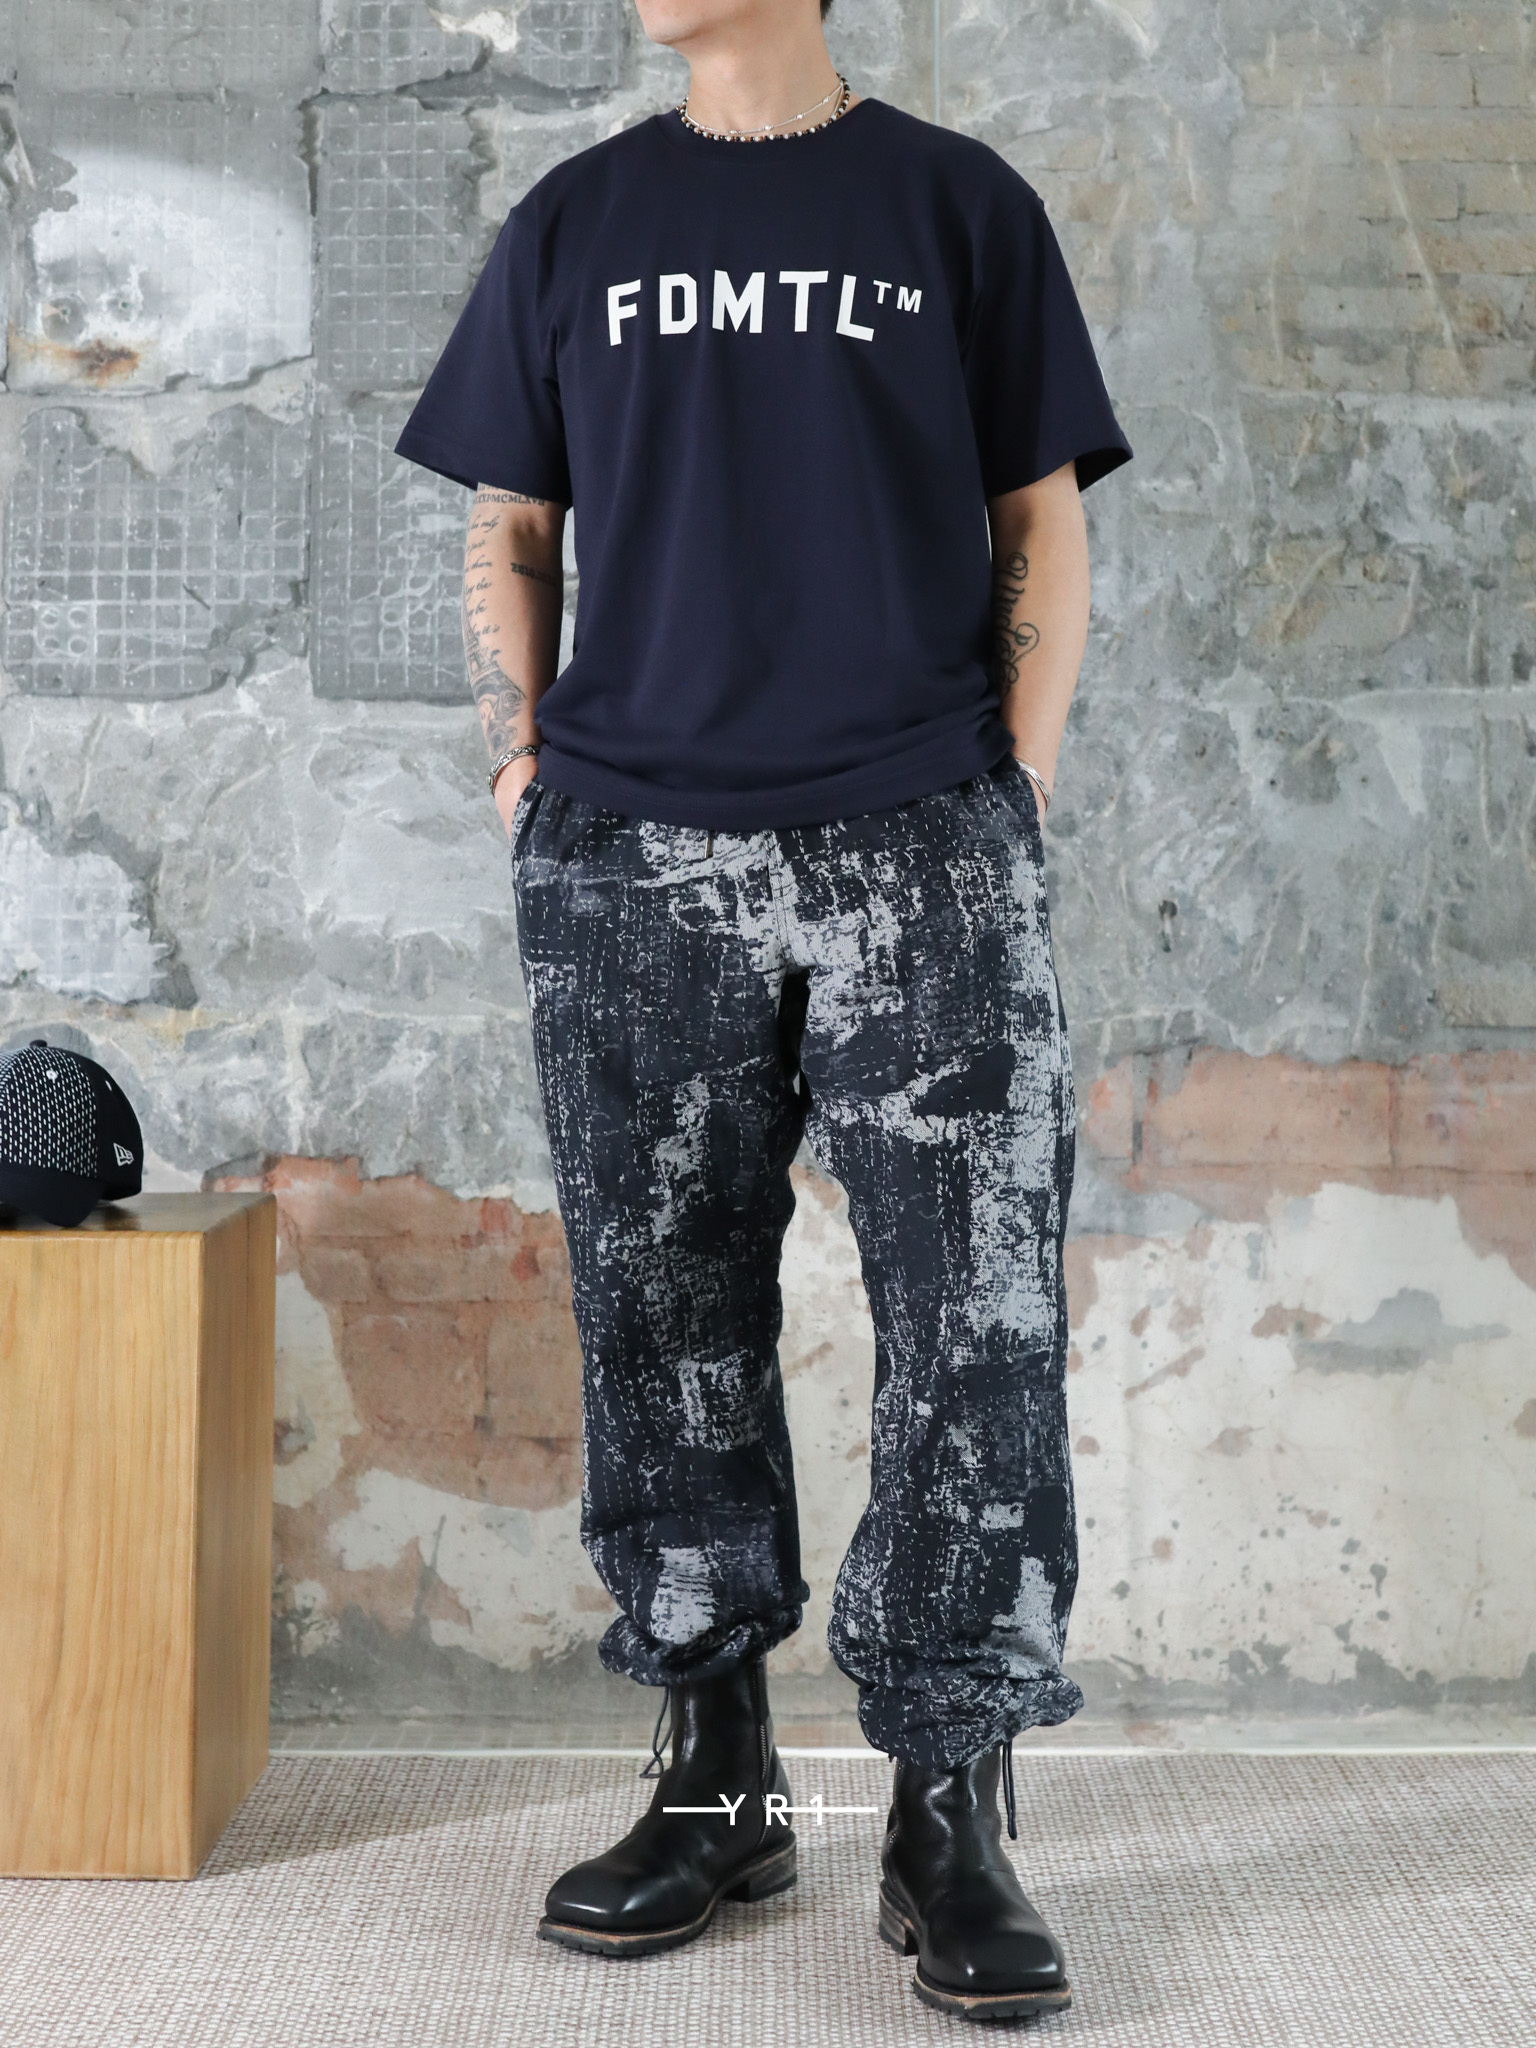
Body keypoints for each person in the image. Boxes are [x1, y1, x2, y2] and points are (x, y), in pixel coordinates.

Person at [397, 0, 1130, 2021]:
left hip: (926, 842)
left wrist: (1014, 792)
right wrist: (524, 764)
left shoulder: (957, 206)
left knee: (976, 1330)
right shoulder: (576, 221)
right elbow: (508, 520)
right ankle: (716, 1785)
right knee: (662, 1321)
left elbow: (1042, 513)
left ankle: (950, 1815)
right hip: (632, 856)